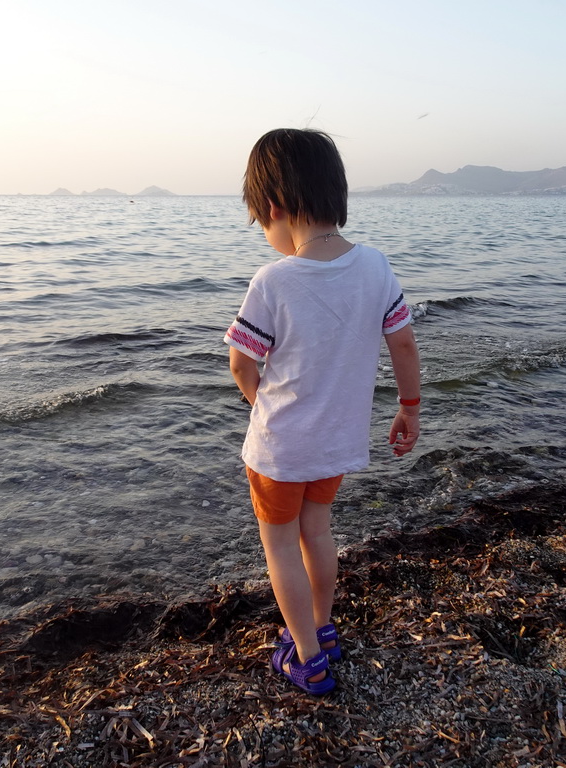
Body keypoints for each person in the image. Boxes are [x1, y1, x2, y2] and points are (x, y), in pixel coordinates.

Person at [224, 128, 422, 695]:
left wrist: (260, 404)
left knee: (280, 545)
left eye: (262, 224)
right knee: (318, 530)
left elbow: (241, 364)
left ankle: (306, 656)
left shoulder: (275, 279)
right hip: (336, 441)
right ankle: (324, 626)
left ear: (273, 208)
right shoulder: (375, 267)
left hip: (280, 447)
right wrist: (409, 407)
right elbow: (404, 344)